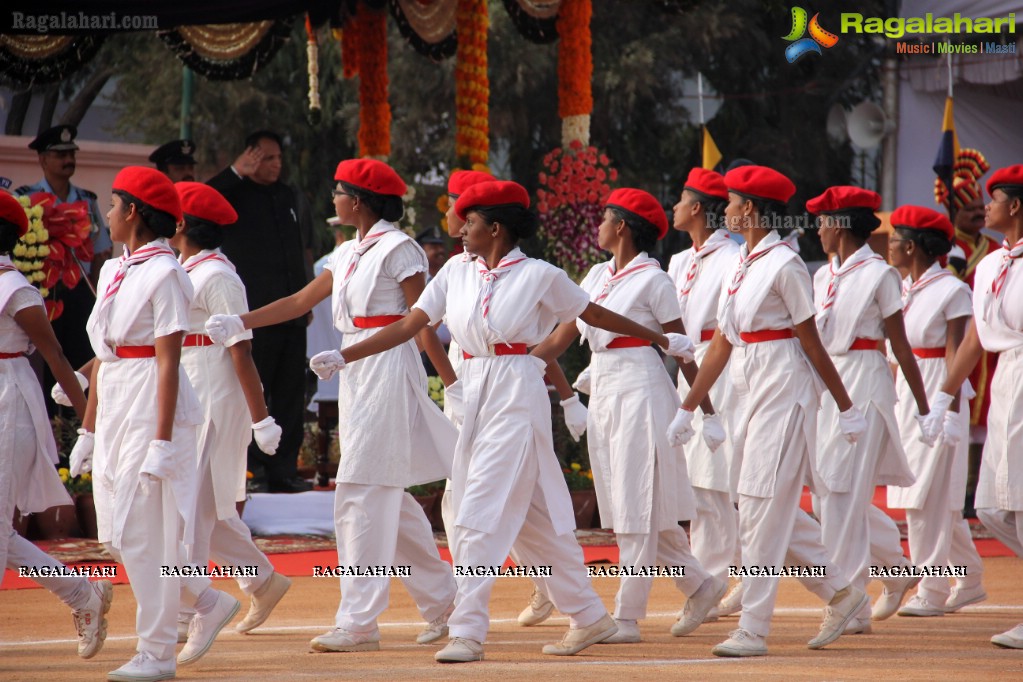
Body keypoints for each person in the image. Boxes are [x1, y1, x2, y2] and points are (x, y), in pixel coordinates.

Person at [297, 179, 698, 663]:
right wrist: (345, 356)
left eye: (470, 221)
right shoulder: (454, 273)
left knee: (477, 509)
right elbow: (410, 324)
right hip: (473, 388)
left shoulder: (539, 274)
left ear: (496, 227)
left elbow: (595, 313)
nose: (461, 229)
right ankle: (590, 615)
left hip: (516, 389)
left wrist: (659, 339)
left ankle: (467, 627)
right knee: (534, 522)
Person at [206, 158, 459, 654]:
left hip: (386, 365)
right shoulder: (345, 252)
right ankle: (446, 601)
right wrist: (241, 321)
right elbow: (301, 301)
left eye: (340, 191)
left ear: (359, 200)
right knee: (386, 494)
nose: (333, 199)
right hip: (356, 372)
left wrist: (450, 381)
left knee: (360, 492)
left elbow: (421, 320)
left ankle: (359, 620)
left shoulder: (399, 248)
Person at [673, 165, 869, 658]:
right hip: (749, 382)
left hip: (785, 387)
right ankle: (841, 593)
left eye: (734, 202)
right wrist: (689, 407)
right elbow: (721, 341)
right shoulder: (742, 261)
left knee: (761, 509)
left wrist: (845, 407)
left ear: (753, 210)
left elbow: (811, 342)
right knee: (758, 502)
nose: (727, 210)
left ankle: (754, 628)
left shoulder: (786, 264)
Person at [531, 187, 726, 644]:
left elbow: (681, 350)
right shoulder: (597, 274)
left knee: (638, 505)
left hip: (642, 391)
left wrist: (703, 410)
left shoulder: (655, 282)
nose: (597, 225)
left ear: (622, 226)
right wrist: (522, 365)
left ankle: (626, 618)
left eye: (604, 218)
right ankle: (701, 586)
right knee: (629, 504)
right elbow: (563, 335)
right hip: (605, 390)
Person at [71, 167, 239, 681]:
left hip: (150, 402)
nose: (108, 213)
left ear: (135, 213)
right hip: (119, 396)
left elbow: (169, 360)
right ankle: (207, 600)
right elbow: (105, 355)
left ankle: (157, 651)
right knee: (118, 533)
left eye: (115, 203)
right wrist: (89, 429)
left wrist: (163, 441)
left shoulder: (167, 273)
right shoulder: (113, 269)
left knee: (147, 534)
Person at [168, 182, 291, 639]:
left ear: (181, 224)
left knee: (192, 506)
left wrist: (261, 418)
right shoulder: (183, 267)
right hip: (188, 383)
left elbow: (242, 349)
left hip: (215, 394)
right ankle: (262, 579)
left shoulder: (218, 275)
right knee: (207, 504)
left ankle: (188, 609)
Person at [808, 188, 935, 631]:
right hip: (831, 386)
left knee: (841, 495)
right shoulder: (823, 276)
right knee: (831, 495)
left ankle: (850, 604)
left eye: (824, 221)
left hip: (865, 381)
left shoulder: (880, 275)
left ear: (840, 225)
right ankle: (897, 570)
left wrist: (924, 406)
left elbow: (898, 343)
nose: (818, 229)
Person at [0, 191, 113, 660]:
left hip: (10, 404)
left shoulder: (15, 288)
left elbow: (58, 357)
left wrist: (89, 423)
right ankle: (82, 593)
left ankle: (81, 595)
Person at [924, 164, 1023, 649]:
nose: (987, 208)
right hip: (1006, 376)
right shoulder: (989, 266)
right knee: (991, 505)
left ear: (1016, 207)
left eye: (995, 200)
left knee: (1020, 501)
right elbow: (976, 339)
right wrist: (944, 395)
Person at [884, 205, 986, 617]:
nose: (887, 246)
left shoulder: (952, 289)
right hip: (908, 393)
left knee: (922, 497)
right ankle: (972, 577)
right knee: (936, 498)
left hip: (937, 390)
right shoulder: (902, 287)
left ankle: (932, 586)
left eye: (893, 240)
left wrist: (949, 412)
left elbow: (956, 354)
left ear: (911, 246)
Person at [208, 130, 313, 493]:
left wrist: (307, 295)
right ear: (249, 157)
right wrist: (235, 172)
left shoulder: (287, 195)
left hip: (291, 310)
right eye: (267, 158)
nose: (275, 164)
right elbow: (205, 200)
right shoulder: (234, 194)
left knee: (289, 392)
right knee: (254, 389)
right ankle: (252, 470)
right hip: (253, 312)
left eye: (278, 158)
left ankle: (283, 469)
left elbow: (302, 249)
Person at [667, 167, 743, 619]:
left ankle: (721, 579)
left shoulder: (733, 255)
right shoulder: (679, 261)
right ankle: (725, 576)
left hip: (724, 368)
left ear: (697, 208)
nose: (673, 207)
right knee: (698, 482)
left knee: (718, 482)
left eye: (680, 199)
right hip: (688, 367)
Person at [16, 124, 113, 401]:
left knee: (79, 356)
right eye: (60, 155)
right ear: (43, 159)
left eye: (71, 153)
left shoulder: (87, 200)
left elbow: (101, 251)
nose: (68, 160)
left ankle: (75, 425)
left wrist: (97, 297)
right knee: (41, 361)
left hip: (79, 290)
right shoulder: (25, 198)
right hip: (39, 291)